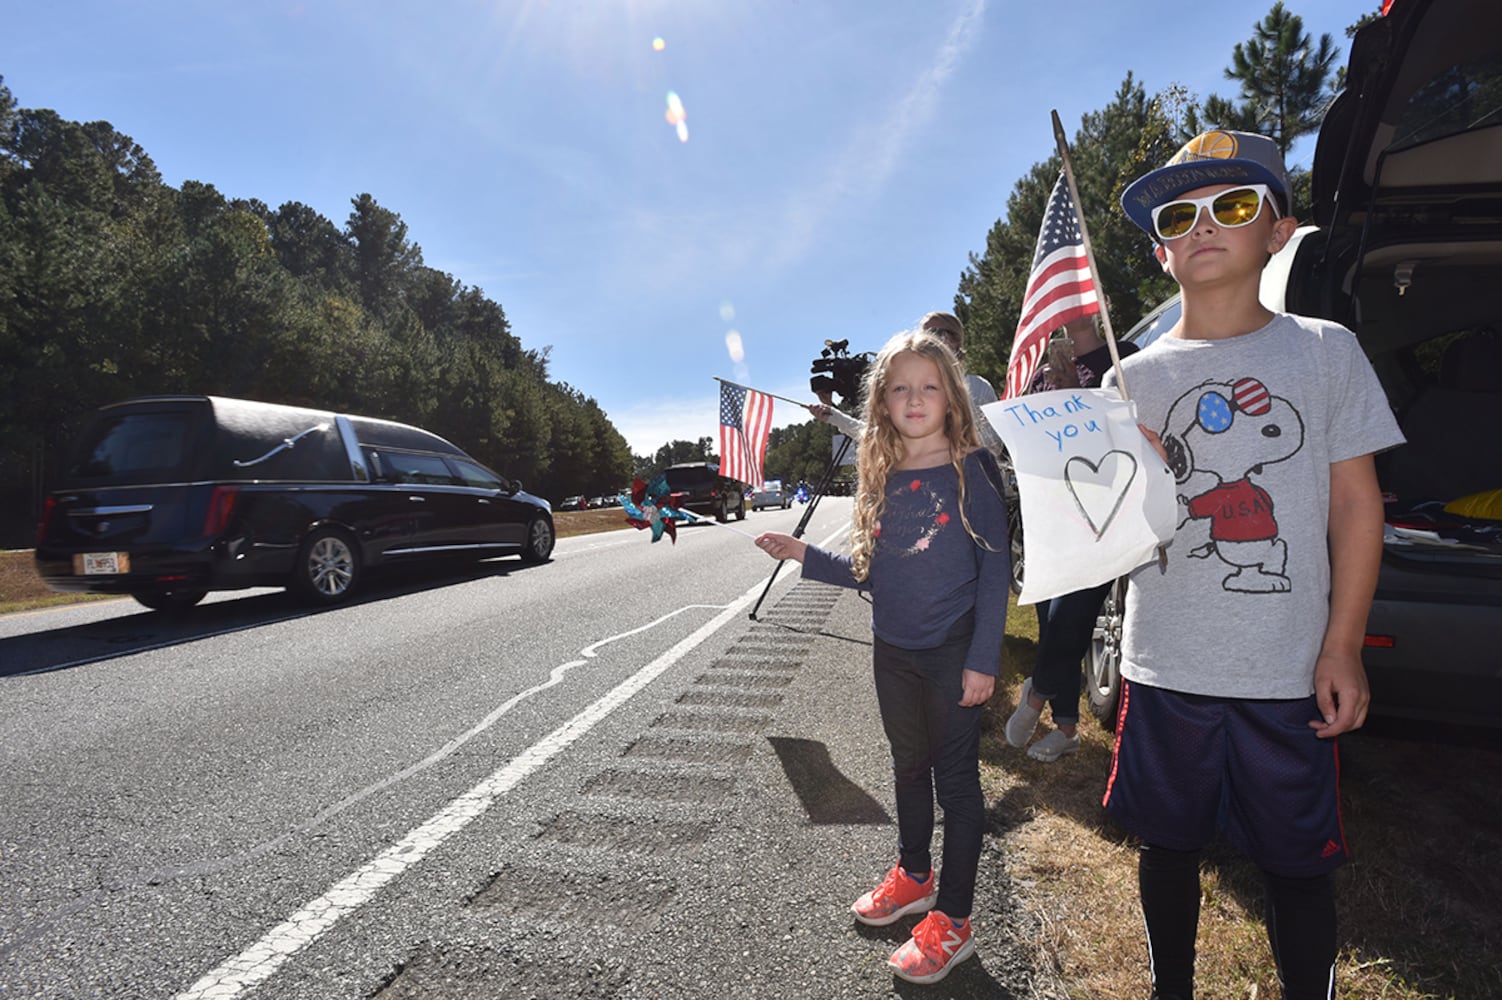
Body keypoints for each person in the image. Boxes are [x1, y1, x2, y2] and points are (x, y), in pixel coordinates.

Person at [1104, 130, 1404, 999]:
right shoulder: (1129, 379)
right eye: (1179, 214)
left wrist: (1341, 643)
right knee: (1168, 848)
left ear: (1278, 232)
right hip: (1164, 666)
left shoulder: (1323, 349)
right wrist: (1136, 478)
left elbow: (1357, 504)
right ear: (1162, 253)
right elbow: (1111, 531)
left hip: (1286, 669)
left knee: (1298, 864)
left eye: (1233, 205)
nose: (1204, 225)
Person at [758, 329, 1010, 985]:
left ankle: (952, 918)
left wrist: (984, 660)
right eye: (899, 388)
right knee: (906, 764)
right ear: (882, 404)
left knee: (955, 782)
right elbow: (874, 573)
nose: (914, 397)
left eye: (928, 385)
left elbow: (994, 570)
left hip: (954, 651)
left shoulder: (973, 467)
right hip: (892, 649)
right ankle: (914, 875)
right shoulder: (885, 473)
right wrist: (805, 556)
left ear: (952, 398)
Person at [1006, 314, 1140, 762]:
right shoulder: (1038, 381)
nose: (1073, 309)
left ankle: (1037, 694)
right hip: (1053, 518)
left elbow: (1127, 430)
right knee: (1053, 622)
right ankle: (1066, 728)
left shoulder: (1123, 359)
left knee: (1073, 617)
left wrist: (1075, 394)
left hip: (1104, 516)